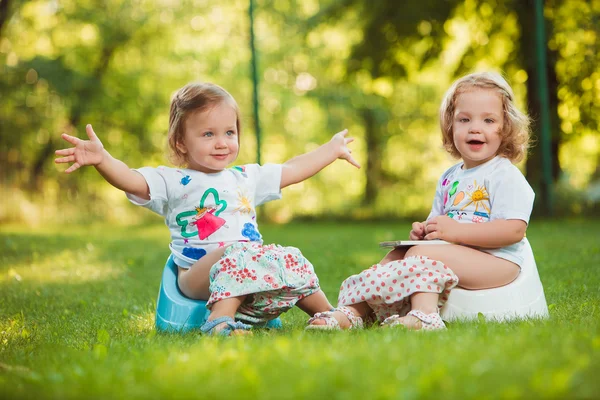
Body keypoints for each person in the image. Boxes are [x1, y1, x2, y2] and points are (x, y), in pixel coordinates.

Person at [55, 82, 360, 336]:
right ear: (181, 142)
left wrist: (330, 149)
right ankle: (219, 323)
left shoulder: (245, 176)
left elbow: (292, 168)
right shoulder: (172, 180)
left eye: (229, 132)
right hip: (197, 278)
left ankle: (329, 315)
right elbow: (131, 180)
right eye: (208, 134)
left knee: (290, 256)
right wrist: (103, 159)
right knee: (236, 251)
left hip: (249, 272)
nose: (221, 143)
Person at [307, 71, 534, 331]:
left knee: (420, 254)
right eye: (464, 119)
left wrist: (456, 233)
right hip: (458, 253)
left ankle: (425, 316)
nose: (475, 127)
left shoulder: (504, 174)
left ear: (505, 128)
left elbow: (514, 231)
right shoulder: (450, 177)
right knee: (398, 254)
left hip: (498, 262)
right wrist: (425, 230)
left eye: (489, 120)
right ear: (450, 125)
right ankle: (354, 312)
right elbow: (439, 224)